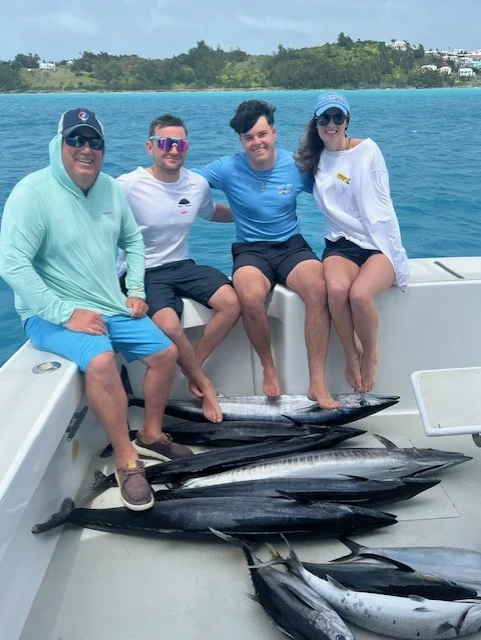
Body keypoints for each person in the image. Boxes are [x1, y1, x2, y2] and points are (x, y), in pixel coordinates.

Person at [0, 108, 193, 513]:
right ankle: (126, 459)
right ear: (60, 143)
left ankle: (151, 435)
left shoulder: (109, 188)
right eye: (76, 139)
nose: (86, 149)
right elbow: (12, 264)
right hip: (50, 315)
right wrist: (63, 313)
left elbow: (133, 241)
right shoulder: (32, 193)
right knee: (102, 362)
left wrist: (135, 289)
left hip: (109, 303)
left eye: (94, 142)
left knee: (165, 353)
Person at [194, 100, 339, 410]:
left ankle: (317, 381)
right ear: (241, 140)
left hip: (291, 246)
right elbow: (185, 182)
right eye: (248, 137)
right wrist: (206, 212)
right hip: (250, 250)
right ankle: (268, 366)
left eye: (261, 134)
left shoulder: (295, 165)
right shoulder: (226, 168)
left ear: (274, 132)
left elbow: (334, 188)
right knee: (248, 295)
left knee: (319, 289)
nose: (256, 142)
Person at [116, 114, 241, 423]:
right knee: (170, 326)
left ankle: (192, 366)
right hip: (142, 270)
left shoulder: (197, 184)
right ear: (150, 147)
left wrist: (255, 211)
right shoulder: (127, 186)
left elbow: (212, 213)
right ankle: (204, 383)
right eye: (165, 143)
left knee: (232, 303)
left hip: (182, 264)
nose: (173, 149)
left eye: (180, 144)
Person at [295, 92, 409, 393]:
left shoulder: (367, 150)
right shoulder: (314, 160)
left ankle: (370, 354)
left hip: (376, 243)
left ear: (347, 121)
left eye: (338, 117)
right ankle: (350, 354)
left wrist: (394, 251)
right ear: (316, 123)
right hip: (340, 243)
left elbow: (382, 203)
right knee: (335, 291)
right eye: (324, 118)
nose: (331, 124)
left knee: (359, 295)